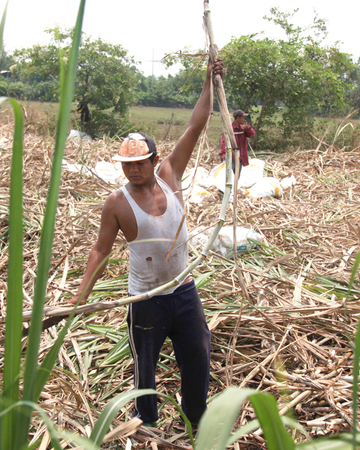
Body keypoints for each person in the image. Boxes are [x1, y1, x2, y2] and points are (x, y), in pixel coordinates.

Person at [68, 58, 224, 428]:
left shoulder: (170, 176)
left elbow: (196, 125)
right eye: (126, 164)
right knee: (145, 368)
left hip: (184, 292)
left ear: (155, 160)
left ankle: (197, 418)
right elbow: (100, 250)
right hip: (146, 300)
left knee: (198, 355)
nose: (133, 170)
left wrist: (208, 81)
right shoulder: (117, 203)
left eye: (139, 163)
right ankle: (146, 423)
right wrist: (80, 296)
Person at [218, 109, 255, 175]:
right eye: (243, 118)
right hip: (231, 155)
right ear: (238, 118)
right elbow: (224, 141)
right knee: (230, 173)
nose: (244, 120)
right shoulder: (230, 128)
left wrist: (248, 128)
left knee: (237, 174)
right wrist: (223, 153)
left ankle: (236, 185)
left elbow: (251, 134)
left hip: (240, 155)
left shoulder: (243, 128)